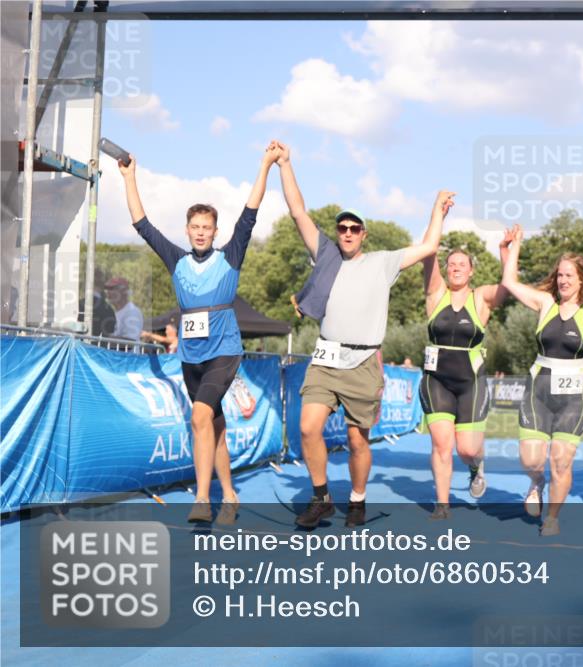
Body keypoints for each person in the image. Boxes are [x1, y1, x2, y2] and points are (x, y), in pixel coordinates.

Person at [274, 141, 448, 529]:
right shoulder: (326, 254)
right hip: (325, 357)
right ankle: (321, 498)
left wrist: (437, 209)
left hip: (364, 361)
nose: (347, 233)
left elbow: (429, 246)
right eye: (342, 228)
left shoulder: (383, 263)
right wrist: (286, 163)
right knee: (307, 427)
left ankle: (357, 500)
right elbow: (298, 211)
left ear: (364, 234)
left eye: (354, 228)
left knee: (357, 441)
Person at [118, 143, 280, 524]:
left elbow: (250, 213)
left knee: (199, 417)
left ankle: (202, 499)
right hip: (191, 356)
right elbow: (143, 225)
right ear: (188, 230)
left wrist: (265, 165)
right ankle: (230, 496)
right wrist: (130, 178)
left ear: (215, 231)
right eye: (195, 227)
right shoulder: (177, 260)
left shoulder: (230, 255)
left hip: (224, 351)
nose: (201, 232)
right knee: (213, 426)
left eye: (207, 227)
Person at [501, 230, 583, 536]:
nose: (563, 280)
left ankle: (553, 518)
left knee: (561, 461)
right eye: (560, 275)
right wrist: (514, 248)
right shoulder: (545, 303)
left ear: (581, 279)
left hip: (573, 397)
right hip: (539, 389)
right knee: (531, 459)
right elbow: (509, 283)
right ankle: (536, 482)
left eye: (569, 275)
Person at [419, 227, 516, 520]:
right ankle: (442, 504)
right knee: (441, 444)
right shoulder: (436, 294)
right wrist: (438, 214)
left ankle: (476, 466)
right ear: (446, 271)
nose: (456, 268)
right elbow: (427, 254)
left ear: (472, 271)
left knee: (467, 448)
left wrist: (505, 253)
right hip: (437, 381)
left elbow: (509, 286)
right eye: (452, 264)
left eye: (462, 264)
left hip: (470, 383)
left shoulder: (482, 298)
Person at [78, 267, 117, 336]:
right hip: (99, 345)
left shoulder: (78, 305)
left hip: (79, 345)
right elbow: (110, 331)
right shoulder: (108, 309)